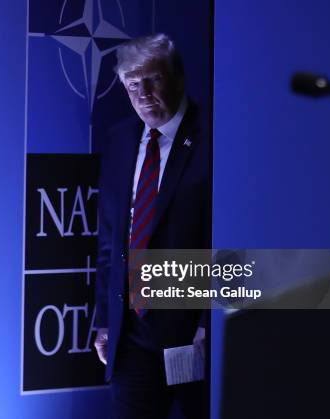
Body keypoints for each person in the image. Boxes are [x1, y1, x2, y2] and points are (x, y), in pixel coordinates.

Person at [94, 33, 211, 419]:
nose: (142, 93)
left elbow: (225, 239)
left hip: (193, 335)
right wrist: (105, 321)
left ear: (177, 78)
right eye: (132, 85)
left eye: (152, 80)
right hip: (132, 334)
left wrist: (210, 323)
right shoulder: (120, 139)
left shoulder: (215, 138)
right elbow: (111, 238)